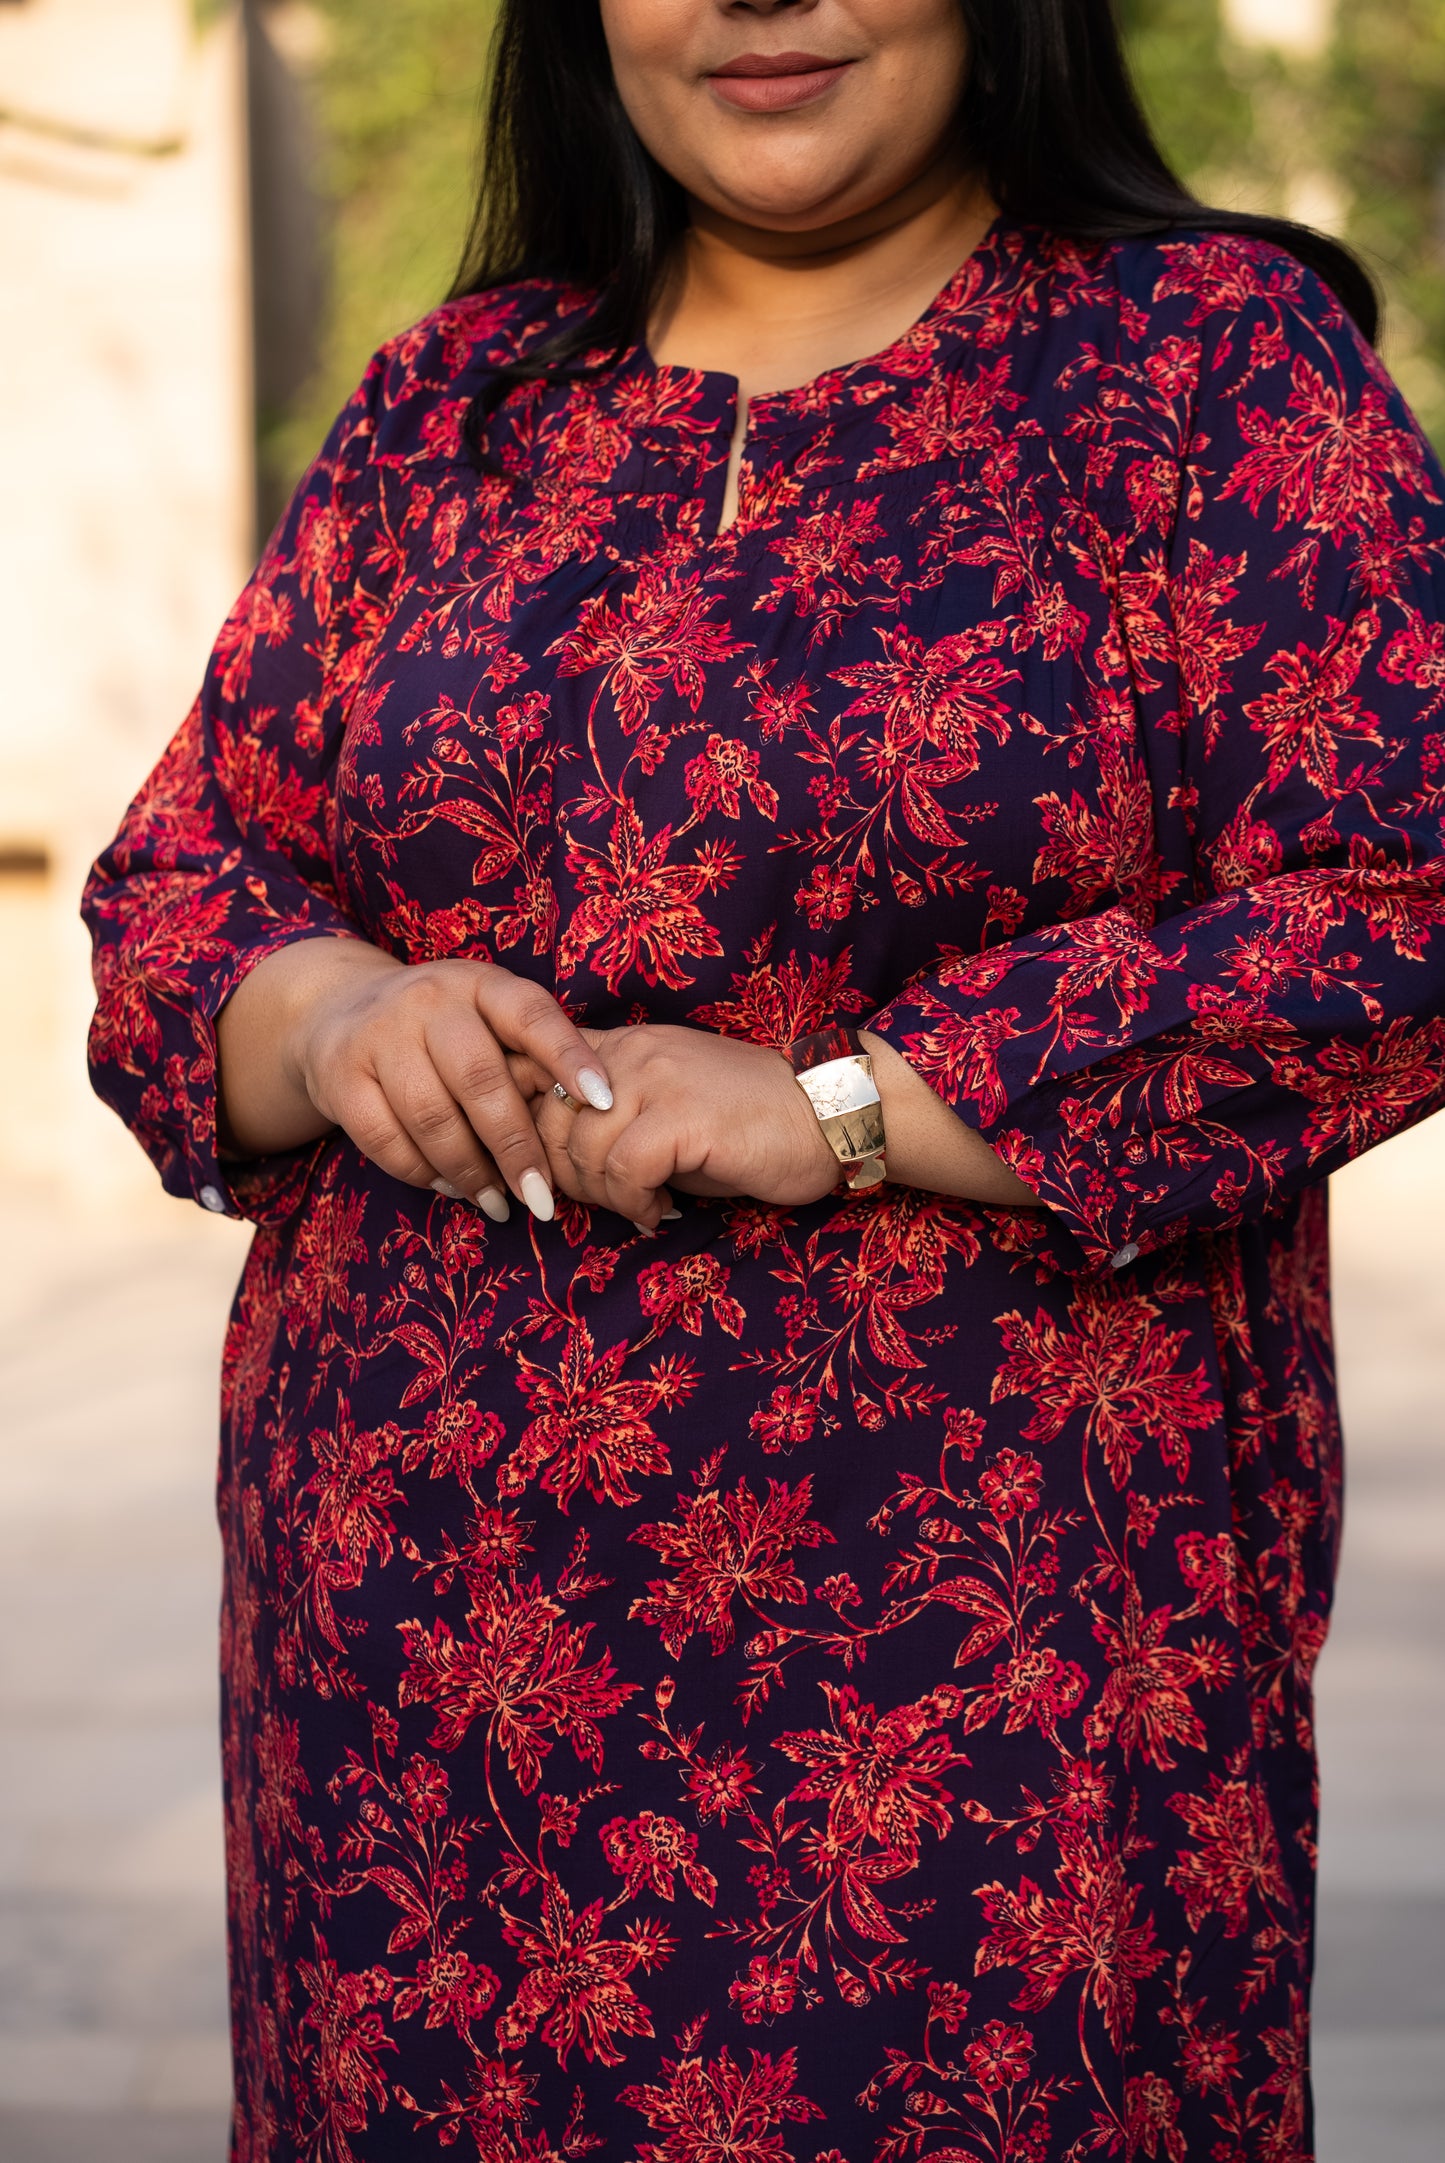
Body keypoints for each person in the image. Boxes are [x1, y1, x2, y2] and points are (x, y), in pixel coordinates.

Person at [84, 2, 1445, 2157]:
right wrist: (344, 1013)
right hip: (418, 1737)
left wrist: (841, 1103)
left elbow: (1401, 884)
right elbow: (182, 883)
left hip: (985, 1731)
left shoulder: (1204, 366)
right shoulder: (457, 400)